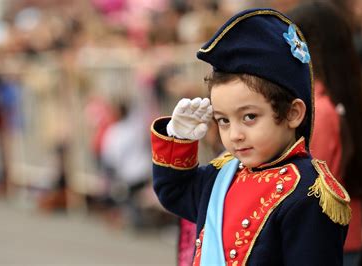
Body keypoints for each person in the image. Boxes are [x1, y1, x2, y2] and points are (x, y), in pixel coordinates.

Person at [150, 8, 351, 266]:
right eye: (223, 120)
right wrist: (178, 139)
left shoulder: (307, 193)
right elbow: (174, 192)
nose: (235, 135)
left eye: (249, 117)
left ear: (293, 113)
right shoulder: (223, 175)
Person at [287, 2, 362, 266]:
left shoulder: (320, 110)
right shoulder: (331, 102)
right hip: (337, 241)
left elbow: (308, 188)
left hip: (324, 245)